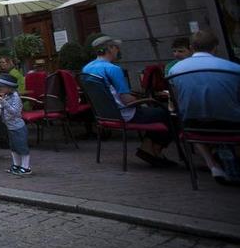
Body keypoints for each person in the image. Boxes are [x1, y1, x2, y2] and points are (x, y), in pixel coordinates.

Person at [83, 35, 175, 168]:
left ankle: (149, 148)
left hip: (104, 115)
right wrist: (141, 100)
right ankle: (152, 149)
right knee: (166, 114)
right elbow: (126, 99)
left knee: (155, 112)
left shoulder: (86, 69)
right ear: (110, 48)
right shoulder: (113, 69)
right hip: (124, 114)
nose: (118, 51)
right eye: (116, 48)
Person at [168, 30, 240, 185]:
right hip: (232, 124)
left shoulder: (175, 70)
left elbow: (177, 99)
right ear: (215, 47)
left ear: (192, 47)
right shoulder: (233, 68)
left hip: (193, 124)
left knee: (192, 123)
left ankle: (212, 164)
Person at [0, 74, 31, 176]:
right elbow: (2, 110)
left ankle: (26, 167)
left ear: (9, 87)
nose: (0, 88)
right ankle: (16, 165)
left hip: (18, 127)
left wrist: (4, 103)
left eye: (2, 86)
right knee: (13, 147)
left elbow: (15, 112)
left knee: (22, 147)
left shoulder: (15, 97)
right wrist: (0, 105)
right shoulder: (6, 96)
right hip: (10, 126)